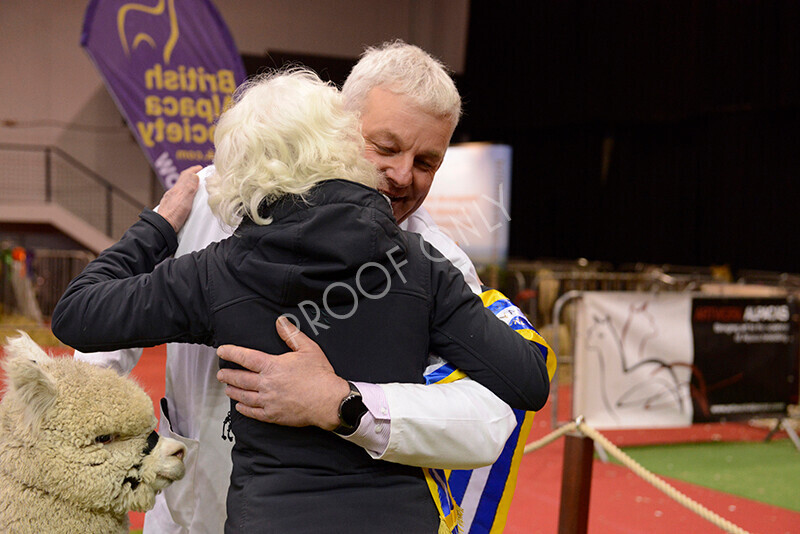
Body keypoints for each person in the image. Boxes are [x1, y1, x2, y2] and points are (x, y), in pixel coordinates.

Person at [74, 41, 556, 533]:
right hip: (186, 514)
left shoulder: (435, 258)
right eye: (385, 147)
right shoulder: (213, 197)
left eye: (427, 162)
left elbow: (488, 417)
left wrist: (346, 403)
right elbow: (104, 337)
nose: (402, 174)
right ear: (338, 127)